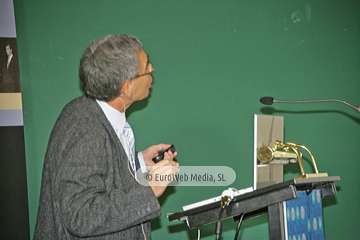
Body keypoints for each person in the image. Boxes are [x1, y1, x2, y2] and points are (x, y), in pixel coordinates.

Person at [34, 34, 179, 239]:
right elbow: (80, 215)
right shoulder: (86, 128)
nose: (152, 70)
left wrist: (137, 163)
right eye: (146, 67)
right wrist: (149, 191)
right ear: (127, 88)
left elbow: (98, 173)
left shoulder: (93, 112)